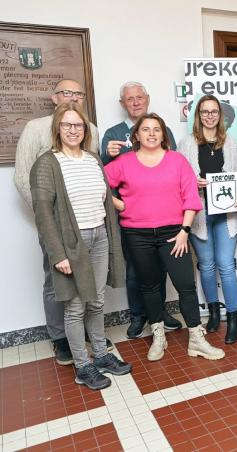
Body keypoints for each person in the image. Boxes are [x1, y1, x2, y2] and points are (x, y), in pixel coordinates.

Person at [105, 113, 225, 362]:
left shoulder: (177, 161)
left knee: (186, 286)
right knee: (149, 286)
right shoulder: (124, 162)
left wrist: (184, 231)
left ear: (163, 134)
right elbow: (98, 182)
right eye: (145, 129)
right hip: (137, 234)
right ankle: (158, 336)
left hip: (174, 234)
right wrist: (118, 204)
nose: (151, 134)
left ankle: (196, 340)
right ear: (136, 135)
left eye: (156, 129)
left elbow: (191, 197)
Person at [30, 102, 131, 390]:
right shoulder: (47, 163)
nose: (73, 130)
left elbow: (104, 199)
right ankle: (83, 366)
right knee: (75, 307)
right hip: (71, 243)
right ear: (57, 128)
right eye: (67, 125)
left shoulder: (93, 159)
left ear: (85, 130)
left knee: (96, 301)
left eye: (78, 125)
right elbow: (43, 214)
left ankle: (101, 355)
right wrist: (57, 254)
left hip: (99, 236)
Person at [14, 79, 106, 366]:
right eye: (67, 92)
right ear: (54, 98)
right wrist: (51, 218)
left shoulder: (92, 132)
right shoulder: (35, 129)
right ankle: (61, 339)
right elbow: (23, 178)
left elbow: (94, 181)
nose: (73, 97)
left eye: (78, 93)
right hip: (60, 229)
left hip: (94, 228)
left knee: (93, 292)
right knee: (59, 287)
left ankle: (90, 340)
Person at [101, 81, 180, 338]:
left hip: (163, 216)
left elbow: (174, 165)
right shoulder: (113, 133)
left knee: (161, 266)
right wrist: (106, 155)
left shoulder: (163, 129)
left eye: (139, 97)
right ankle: (138, 316)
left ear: (147, 98)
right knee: (135, 270)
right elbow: (101, 175)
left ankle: (160, 311)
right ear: (122, 103)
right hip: (132, 219)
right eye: (129, 98)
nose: (135, 102)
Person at [178, 95, 237, 343]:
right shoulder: (186, 144)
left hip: (226, 213)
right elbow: (179, 179)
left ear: (220, 115)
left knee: (226, 265)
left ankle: (233, 318)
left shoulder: (231, 142)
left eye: (214, 111)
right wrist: (192, 182)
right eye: (204, 111)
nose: (209, 116)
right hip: (199, 212)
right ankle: (214, 312)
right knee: (206, 265)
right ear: (198, 115)